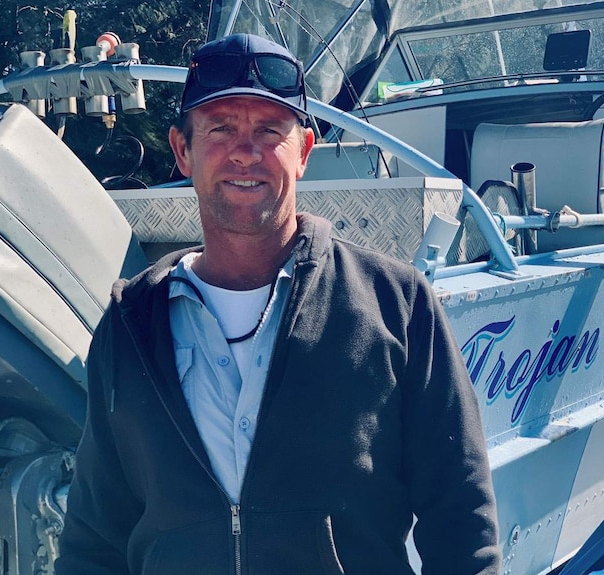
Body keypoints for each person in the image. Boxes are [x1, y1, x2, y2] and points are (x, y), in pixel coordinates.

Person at [56, 33, 500, 575]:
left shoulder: (398, 305)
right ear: (182, 150)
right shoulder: (129, 324)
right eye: (220, 128)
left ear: (305, 151)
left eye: (270, 130)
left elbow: (462, 526)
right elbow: (95, 540)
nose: (245, 151)